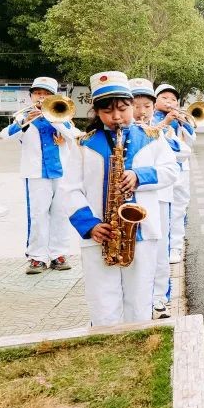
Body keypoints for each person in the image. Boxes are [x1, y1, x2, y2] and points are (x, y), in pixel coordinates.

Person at [62, 71, 178, 327]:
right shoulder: (82, 144)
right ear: (96, 112)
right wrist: (89, 225)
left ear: (132, 105)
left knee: (139, 304)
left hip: (143, 233)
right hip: (99, 235)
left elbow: (172, 171)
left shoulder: (153, 137)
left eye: (123, 109)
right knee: (103, 306)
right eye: (107, 111)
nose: (116, 117)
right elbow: (69, 189)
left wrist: (139, 176)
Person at [0, 76, 80, 274]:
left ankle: (58, 254)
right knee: (38, 215)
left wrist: (55, 119)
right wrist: (24, 122)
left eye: (46, 94)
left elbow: (74, 135)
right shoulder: (22, 117)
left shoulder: (62, 115)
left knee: (61, 214)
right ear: (31, 96)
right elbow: (5, 135)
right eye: (37, 93)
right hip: (35, 174)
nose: (41, 97)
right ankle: (37, 257)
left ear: (53, 97)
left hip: (61, 172)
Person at [130, 78, 187, 320]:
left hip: (159, 197)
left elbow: (183, 152)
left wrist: (163, 128)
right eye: (135, 105)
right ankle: (136, 301)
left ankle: (159, 298)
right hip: (126, 201)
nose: (141, 112)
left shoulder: (160, 131)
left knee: (159, 250)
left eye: (146, 106)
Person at [153, 83, 195, 264]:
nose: (170, 102)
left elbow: (191, 142)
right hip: (161, 170)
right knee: (161, 209)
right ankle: (161, 245)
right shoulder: (151, 118)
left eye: (173, 100)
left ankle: (176, 246)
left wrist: (182, 122)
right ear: (155, 101)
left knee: (179, 209)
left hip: (181, 169)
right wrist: (167, 122)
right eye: (164, 98)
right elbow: (152, 136)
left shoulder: (181, 119)